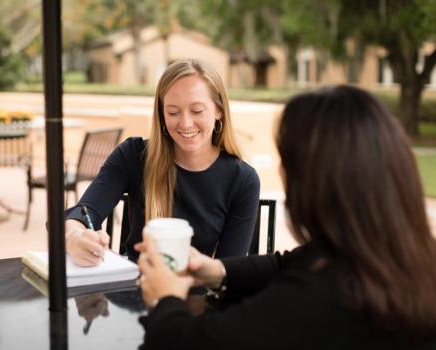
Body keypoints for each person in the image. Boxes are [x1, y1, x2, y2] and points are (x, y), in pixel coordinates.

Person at [136, 85, 436, 349]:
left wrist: (165, 300)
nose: (281, 171)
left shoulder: (317, 300)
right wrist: (213, 269)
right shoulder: (398, 255)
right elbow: (287, 263)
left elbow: (193, 342)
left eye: (287, 160)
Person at [65, 58, 260, 266]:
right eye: (173, 112)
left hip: (197, 293)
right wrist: (74, 238)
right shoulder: (132, 155)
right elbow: (84, 212)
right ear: (161, 114)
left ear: (219, 110)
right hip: (133, 289)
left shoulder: (242, 180)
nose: (185, 123)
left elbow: (227, 273)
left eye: (197, 111)